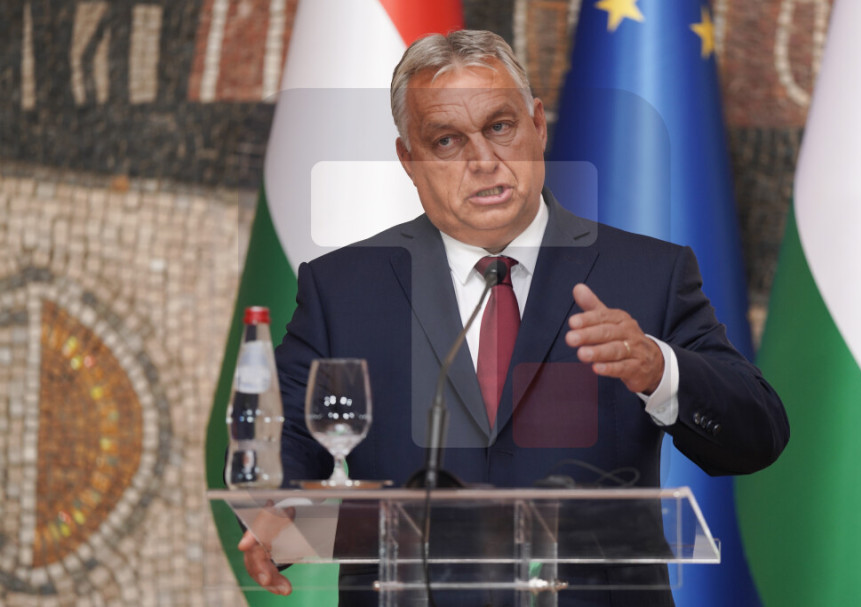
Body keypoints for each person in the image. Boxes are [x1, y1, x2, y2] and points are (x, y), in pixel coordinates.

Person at [237, 29, 789, 606]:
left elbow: (758, 434)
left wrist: (659, 369)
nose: (483, 161)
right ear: (409, 160)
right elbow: (281, 438)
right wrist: (274, 506)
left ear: (538, 126)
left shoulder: (648, 274)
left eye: (500, 127)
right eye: (446, 141)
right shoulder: (346, 288)